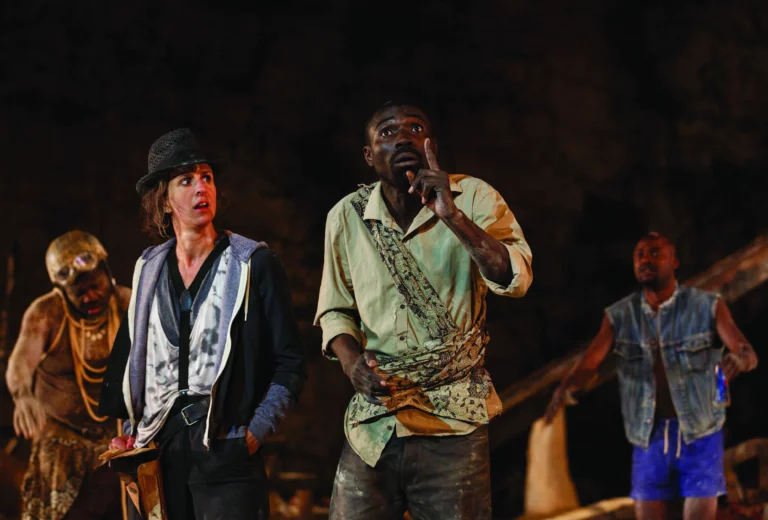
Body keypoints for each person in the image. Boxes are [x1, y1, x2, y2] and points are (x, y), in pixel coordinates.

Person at [315, 102, 533, 519]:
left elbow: (516, 279)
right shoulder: (346, 216)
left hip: (453, 421)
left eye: (415, 128)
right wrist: (351, 364)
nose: (402, 137)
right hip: (376, 423)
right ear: (368, 155)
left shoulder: (475, 197)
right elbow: (335, 310)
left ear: (431, 144)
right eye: (387, 131)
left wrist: (453, 216)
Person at [98, 128, 306, 520]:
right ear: (163, 201)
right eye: (186, 180)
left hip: (224, 448)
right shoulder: (148, 269)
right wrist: (130, 430)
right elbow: (133, 361)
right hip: (159, 451)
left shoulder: (252, 264)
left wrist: (252, 434)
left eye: (206, 177)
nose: (201, 189)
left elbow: (290, 362)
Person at [544, 232, 759, 520]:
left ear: (674, 261)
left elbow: (747, 352)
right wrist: (567, 387)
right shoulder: (620, 315)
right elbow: (589, 363)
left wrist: (739, 359)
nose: (646, 260)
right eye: (640, 255)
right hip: (648, 434)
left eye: (655, 253)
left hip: (700, 430)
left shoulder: (706, 306)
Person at [6, 230, 130, 520]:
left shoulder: (128, 304)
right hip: (60, 439)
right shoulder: (46, 313)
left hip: (115, 439)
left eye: (96, 286)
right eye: (80, 293)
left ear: (107, 272)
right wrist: (22, 395)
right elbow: (20, 364)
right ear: (62, 291)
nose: (90, 297)